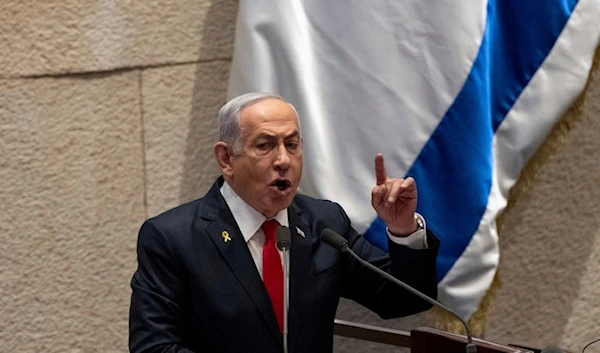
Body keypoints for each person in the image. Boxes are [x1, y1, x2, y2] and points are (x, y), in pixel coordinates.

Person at [129, 93, 439, 353]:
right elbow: (154, 347)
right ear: (226, 159)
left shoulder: (324, 222)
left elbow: (404, 299)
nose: (283, 160)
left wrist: (403, 229)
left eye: (292, 145)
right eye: (264, 146)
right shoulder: (173, 238)